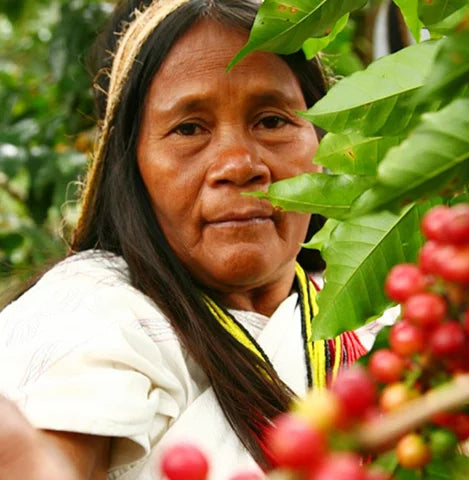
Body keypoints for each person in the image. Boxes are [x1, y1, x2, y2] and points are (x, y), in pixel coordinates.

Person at [0, 0, 389, 478]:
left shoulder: (387, 327)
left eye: (271, 121)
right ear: (132, 167)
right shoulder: (99, 313)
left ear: (323, 149)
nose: (239, 164)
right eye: (188, 129)